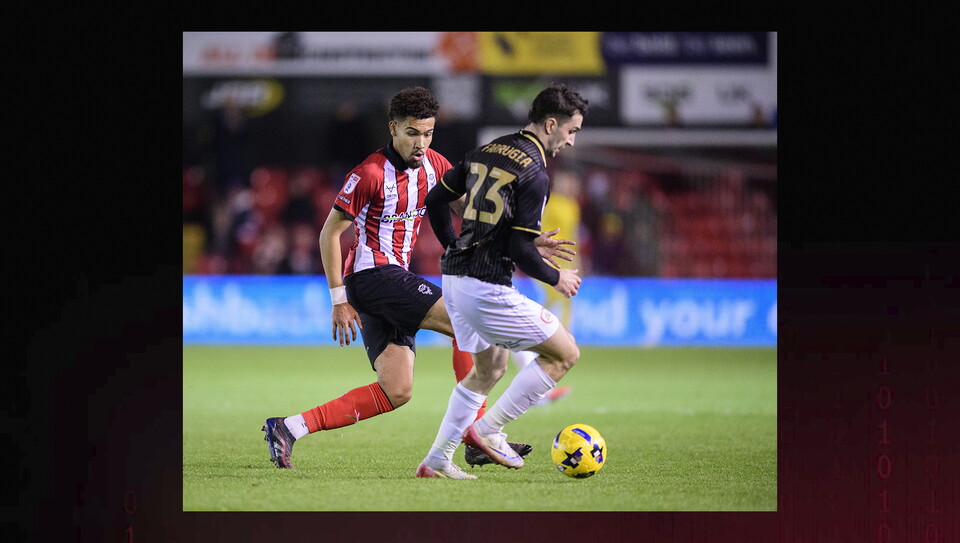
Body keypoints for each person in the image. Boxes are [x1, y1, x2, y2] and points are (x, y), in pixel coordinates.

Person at [261, 87, 572, 472]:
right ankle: (476, 436)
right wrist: (338, 299)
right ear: (393, 129)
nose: (422, 142)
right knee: (468, 322)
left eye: (428, 133)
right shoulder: (369, 174)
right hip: (370, 276)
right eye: (412, 133)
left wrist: (524, 238)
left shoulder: (436, 165)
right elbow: (330, 233)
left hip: (393, 280)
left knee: (397, 391)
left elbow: (472, 212)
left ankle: (288, 427)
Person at [416, 82, 588, 478]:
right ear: (550, 124)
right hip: (486, 287)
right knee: (565, 354)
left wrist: (455, 246)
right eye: (571, 130)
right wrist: (556, 276)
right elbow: (521, 250)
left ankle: (437, 460)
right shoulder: (537, 174)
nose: (572, 141)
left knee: (489, 368)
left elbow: (435, 201)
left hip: (455, 280)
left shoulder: (488, 150)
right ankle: (488, 431)